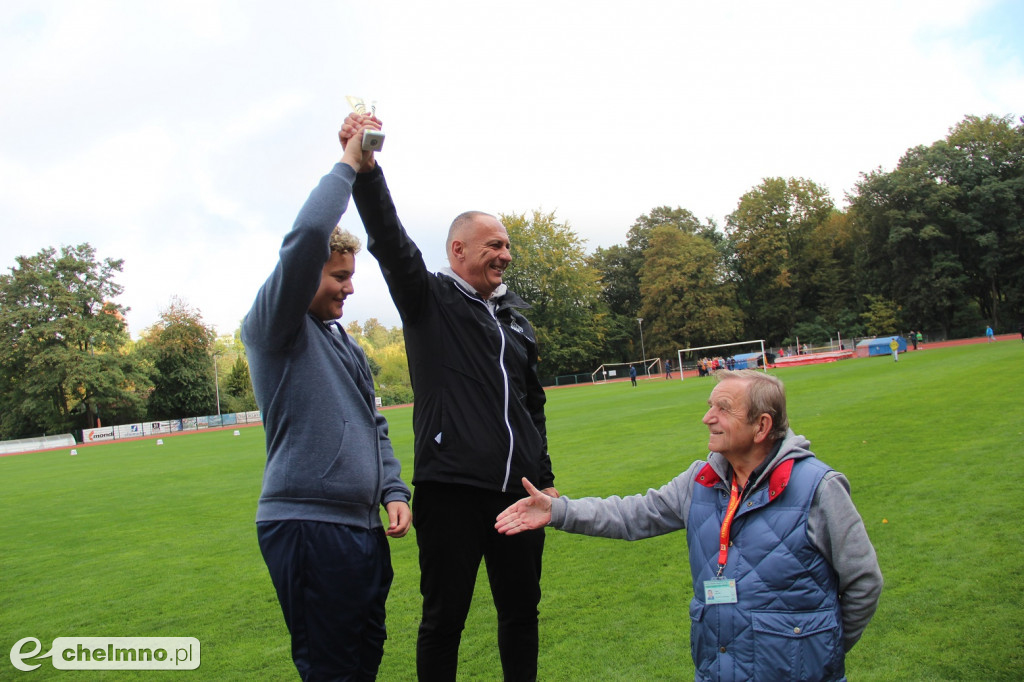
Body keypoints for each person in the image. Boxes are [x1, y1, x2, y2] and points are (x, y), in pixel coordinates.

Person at [341, 114, 557, 682]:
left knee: (521, 613)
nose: (506, 254)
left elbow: (531, 411)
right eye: (494, 245)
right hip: (451, 491)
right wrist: (367, 171)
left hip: (517, 493)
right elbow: (389, 242)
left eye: (508, 245)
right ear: (458, 249)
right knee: (444, 620)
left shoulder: (515, 322)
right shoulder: (429, 300)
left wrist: (544, 474)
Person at [496, 369, 883, 681]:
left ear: (761, 426)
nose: (707, 418)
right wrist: (558, 511)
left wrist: (817, 646)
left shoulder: (818, 487)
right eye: (709, 406)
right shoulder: (701, 480)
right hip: (717, 668)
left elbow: (863, 580)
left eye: (723, 409)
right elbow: (634, 514)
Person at [242, 124, 412, 680]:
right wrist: (349, 161)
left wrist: (391, 488)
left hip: (360, 531)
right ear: (308, 271)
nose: (350, 288)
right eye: (339, 276)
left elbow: (374, 425)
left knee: (364, 660)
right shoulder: (276, 327)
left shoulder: (348, 345)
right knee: (331, 669)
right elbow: (310, 231)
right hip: (308, 527)